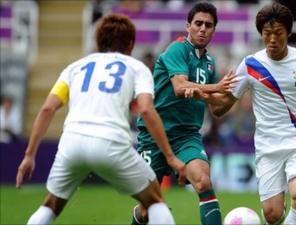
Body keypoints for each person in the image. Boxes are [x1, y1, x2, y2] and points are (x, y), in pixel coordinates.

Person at [16, 14, 186, 225]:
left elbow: (47, 108)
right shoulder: (137, 67)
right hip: (111, 142)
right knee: (155, 202)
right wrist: (170, 157)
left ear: (98, 41)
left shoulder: (74, 67)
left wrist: (29, 155)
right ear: (131, 43)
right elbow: (146, 110)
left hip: (72, 143)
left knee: (50, 206)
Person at [206, 2, 296, 225]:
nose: (272, 39)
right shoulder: (250, 65)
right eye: (267, 33)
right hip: (268, 146)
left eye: (278, 33)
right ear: (261, 33)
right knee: (273, 216)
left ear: (288, 32)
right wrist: (205, 91)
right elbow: (220, 108)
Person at [131, 2, 235, 225]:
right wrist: (217, 88)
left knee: (204, 182)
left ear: (214, 30)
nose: (202, 28)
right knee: (148, 207)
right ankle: (139, 215)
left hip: (187, 136)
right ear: (188, 25)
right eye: (198, 23)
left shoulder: (209, 63)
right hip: (155, 135)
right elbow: (179, 87)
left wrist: (232, 95)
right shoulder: (177, 49)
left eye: (208, 25)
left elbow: (215, 109)